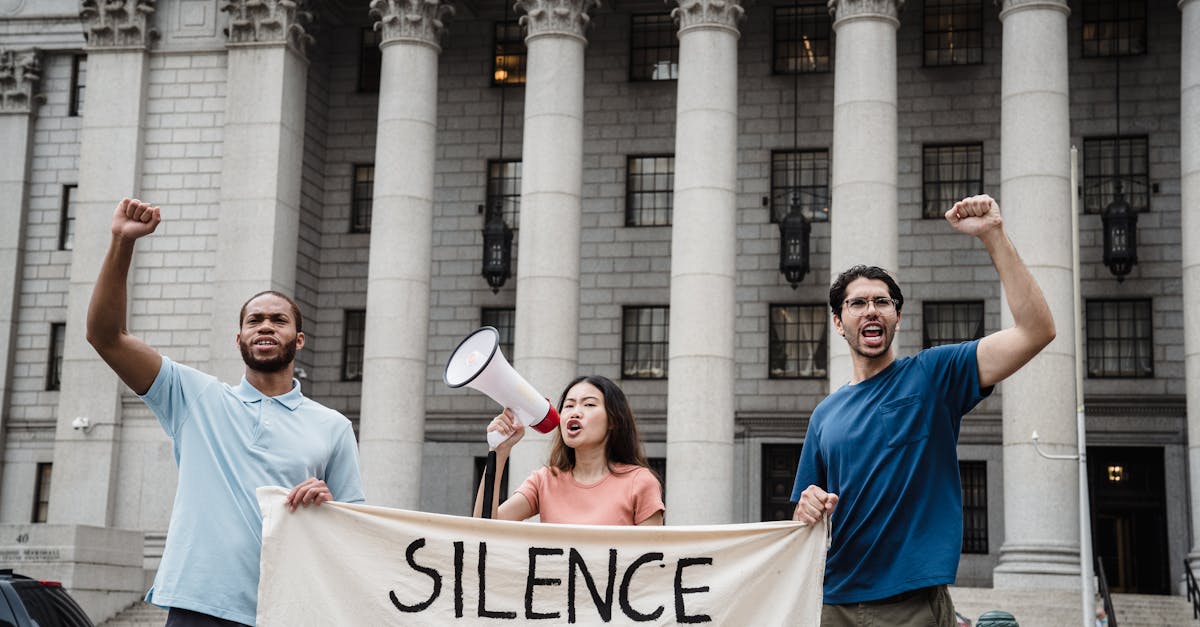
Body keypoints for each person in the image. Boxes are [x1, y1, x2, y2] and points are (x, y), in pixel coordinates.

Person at [86, 198, 365, 627]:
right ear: (239, 339)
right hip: (198, 607)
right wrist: (122, 242)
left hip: (286, 609)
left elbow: (352, 531)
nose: (266, 326)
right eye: (254, 321)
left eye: (278, 320)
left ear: (299, 339)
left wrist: (326, 505)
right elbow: (106, 336)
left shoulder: (332, 426)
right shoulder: (194, 397)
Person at [791, 194, 1056, 626]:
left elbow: (1036, 331)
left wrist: (993, 235)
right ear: (838, 323)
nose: (871, 310)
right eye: (857, 303)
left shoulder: (934, 375)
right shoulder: (824, 414)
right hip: (829, 601)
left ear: (898, 317)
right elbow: (805, 516)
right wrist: (806, 505)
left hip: (909, 604)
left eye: (883, 302)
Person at [473, 375, 664, 525]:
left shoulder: (640, 483)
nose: (575, 412)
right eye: (569, 405)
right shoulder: (544, 481)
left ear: (613, 420)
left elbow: (651, 565)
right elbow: (484, 528)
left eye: (589, 404)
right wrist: (499, 451)